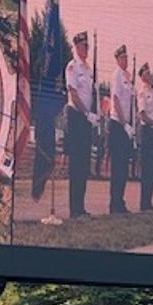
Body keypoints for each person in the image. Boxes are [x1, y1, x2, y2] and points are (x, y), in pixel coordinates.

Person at [64, 31, 95, 218]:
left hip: (85, 118)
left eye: (87, 46)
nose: (86, 49)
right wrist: (86, 113)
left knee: (83, 164)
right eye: (84, 46)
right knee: (76, 164)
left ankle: (80, 207)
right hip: (76, 116)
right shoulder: (72, 67)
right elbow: (74, 95)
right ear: (76, 47)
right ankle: (74, 209)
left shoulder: (88, 69)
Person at [108, 44, 135, 213]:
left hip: (126, 126)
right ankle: (114, 203)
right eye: (123, 57)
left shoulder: (127, 77)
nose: (125, 60)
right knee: (117, 166)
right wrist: (124, 123)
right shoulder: (117, 74)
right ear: (117, 59)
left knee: (124, 167)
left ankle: (120, 200)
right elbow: (116, 100)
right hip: (118, 124)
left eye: (126, 57)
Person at [135, 63, 153, 211]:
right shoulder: (142, 92)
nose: (151, 76)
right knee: (146, 168)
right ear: (143, 76)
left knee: (152, 168)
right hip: (147, 131)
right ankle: (144, 203)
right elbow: (142, 115)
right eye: (148, 74)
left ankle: (149, 202)